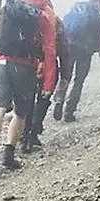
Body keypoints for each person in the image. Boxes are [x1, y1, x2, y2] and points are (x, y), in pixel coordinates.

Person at [0, 0, 58, 175]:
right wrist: (48, 84)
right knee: (21, 112)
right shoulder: (41, 18)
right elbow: (49, 51)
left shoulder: (5, 13)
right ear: (43, 2)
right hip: (25, 66)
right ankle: (8, 156)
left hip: (0, 63)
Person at [55, 0, 100, 122]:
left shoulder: (76, 9)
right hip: (85, 51)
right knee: (79, 82)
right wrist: (98, 49)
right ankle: (69, 111)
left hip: (70, 47)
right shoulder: (98, 14)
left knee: (66, 76)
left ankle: (59, 99)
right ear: (99, 3)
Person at [23, 10, 70, 151]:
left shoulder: (24, 18)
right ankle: (34, 133)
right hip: (49, 67)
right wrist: (65, 75)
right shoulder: (54, 21)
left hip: (27, 65)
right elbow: (63, 50)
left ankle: (24, 135)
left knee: (28, 100)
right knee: (43, 99)